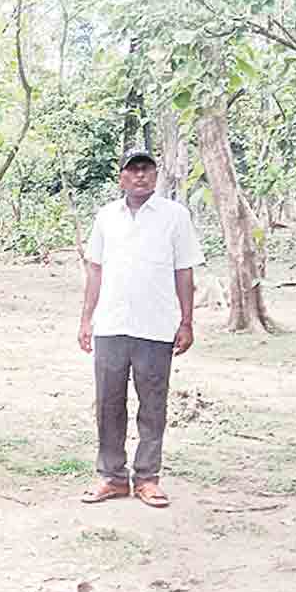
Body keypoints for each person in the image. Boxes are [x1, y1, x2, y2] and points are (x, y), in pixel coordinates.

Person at [78, 149, 203, 508]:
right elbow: (96, 270)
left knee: (152, 405)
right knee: (108, 404)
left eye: (147, 170)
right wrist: (87, 319)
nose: (140, 176)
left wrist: (187, 321)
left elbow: (185, 271)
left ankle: (147, 477)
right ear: (121, 177)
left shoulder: (175, 217)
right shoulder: (106, 217)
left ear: (156, 175)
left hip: (156, 326)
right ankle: (112, 477)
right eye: (133, 170)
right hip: (111, 324)